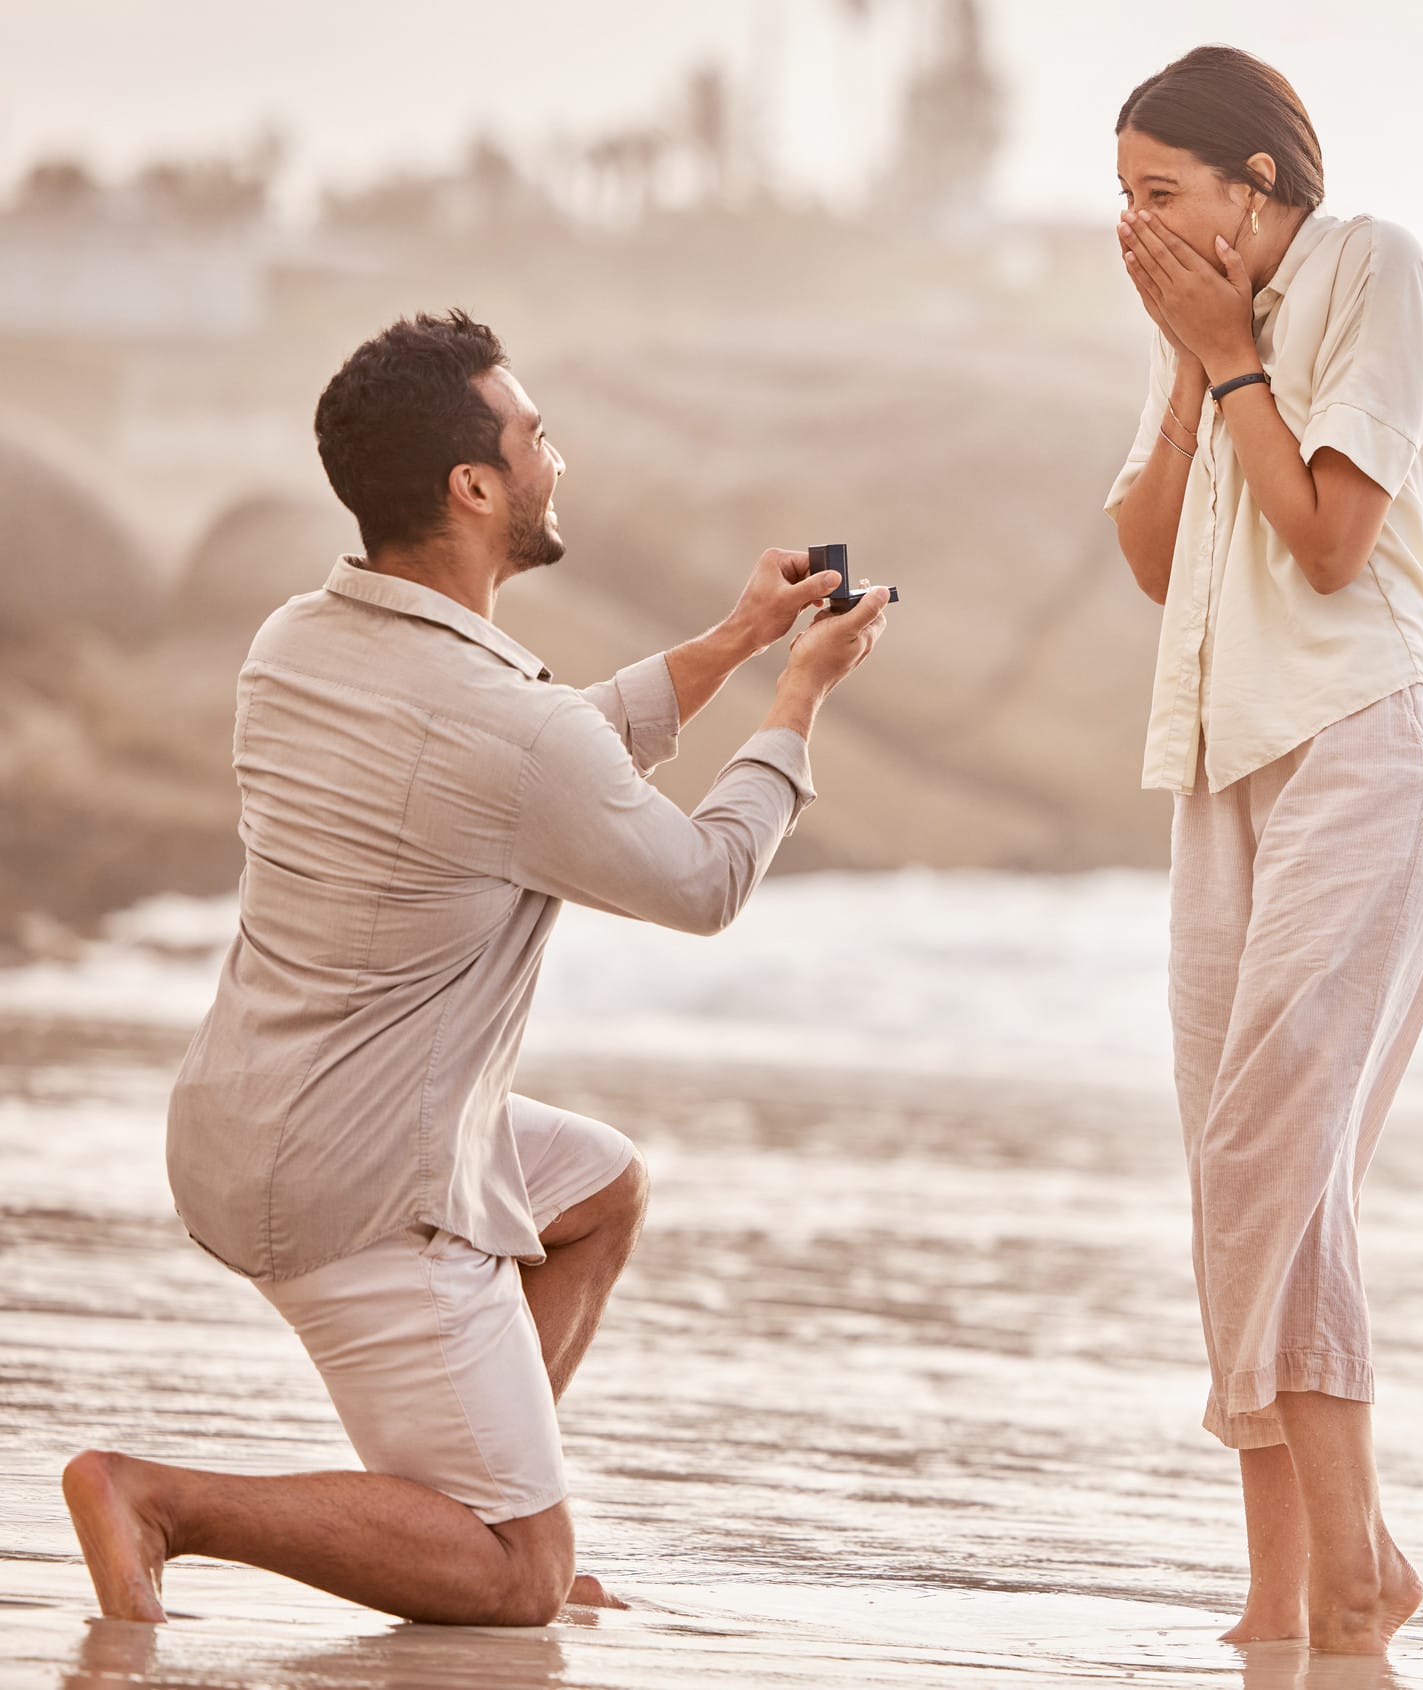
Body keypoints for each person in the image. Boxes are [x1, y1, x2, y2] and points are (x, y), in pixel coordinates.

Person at [61, 309, 892, 1627]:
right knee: (519, 1582)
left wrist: (734, 641)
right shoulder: (503, 727)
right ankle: (177, 1500)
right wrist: (798, 700)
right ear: (474, 485)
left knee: (599, 1188)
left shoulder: (296, 646)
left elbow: (534, 751)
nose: (554, 458)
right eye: (535, 435)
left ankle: (474, 1500)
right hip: (355, 1179)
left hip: (243, 1123)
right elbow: (699, 882)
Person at [1106, 46, 1423, 1657]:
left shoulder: (1368, 269)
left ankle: (1355, 1564)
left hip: (1370, 733)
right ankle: (1276, 1590)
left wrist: (1230, 354)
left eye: (1161, 194)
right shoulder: (1206, 325)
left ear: (1257, 187)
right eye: (1123, 200)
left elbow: (1331, 546)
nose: (1134, 227)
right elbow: (1146, 554)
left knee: (1274, 1147)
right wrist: (1195, 365)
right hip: (1223, 763)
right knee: (1239, 1172)